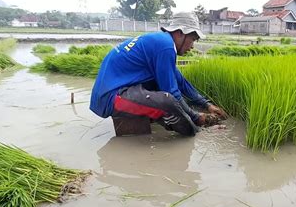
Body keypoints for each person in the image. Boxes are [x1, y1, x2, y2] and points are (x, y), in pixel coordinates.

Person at [90, 12, 226, 136]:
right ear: (180, 33)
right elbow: (172, 92)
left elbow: (180, 81)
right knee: (168, 103)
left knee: (163, 91)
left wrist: (207, 104)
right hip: (111, 97)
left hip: (116, 91)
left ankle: (160, 122)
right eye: (193, 39)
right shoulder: (165, 46)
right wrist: (196, 118)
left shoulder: (161, 42)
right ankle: (195, 133)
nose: (192, 46)